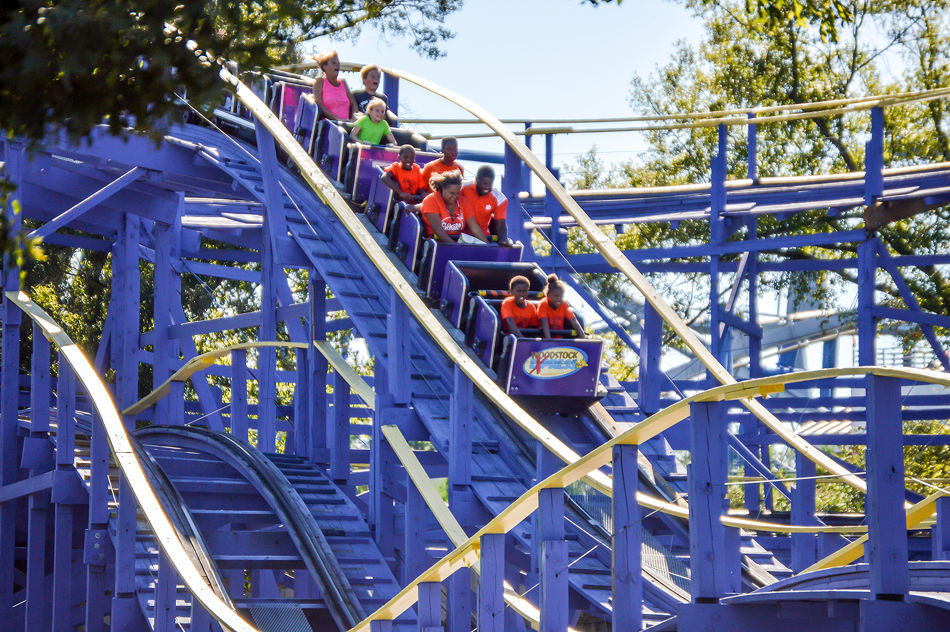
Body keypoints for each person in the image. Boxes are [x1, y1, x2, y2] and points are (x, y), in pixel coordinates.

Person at [419, 171, 488, 244]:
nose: (455, 196)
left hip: (456, 243)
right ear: (443, 189)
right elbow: (439, 231)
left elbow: (475, 229)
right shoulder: (430, 201)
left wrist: (487, 245)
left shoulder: (463, 201)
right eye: (451, 193)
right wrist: (455, 248)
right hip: (434, 244)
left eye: (457, 193)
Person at [461, 165, 512, 246]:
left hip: (482, 237)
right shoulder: (463, 188)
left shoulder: (499, 198)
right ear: (477, 180)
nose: (487, 187)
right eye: (484, 183)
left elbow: (501, 224)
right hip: (460, 234)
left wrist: (503, 239)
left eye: (490, 184)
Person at [312, 50, 357, 121]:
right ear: (324, 66)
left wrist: (354, 119)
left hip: (346, 124)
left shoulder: (343, 82)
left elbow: (354, 104)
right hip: (328, 125)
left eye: (338, 63)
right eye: (333, 63)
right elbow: (319, 105)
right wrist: (337, 119)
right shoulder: (320, 81)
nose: (337, 65)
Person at [538, 274, 585, 339]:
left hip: (559, 339)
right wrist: (549, 341)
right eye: (556, 296)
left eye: (561, 296)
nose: (559, 299)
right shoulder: (543, 304)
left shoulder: (564, 304)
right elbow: (544, 324)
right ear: (548, 295)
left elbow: (575, 323)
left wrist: (583, 339)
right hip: (545, 338)